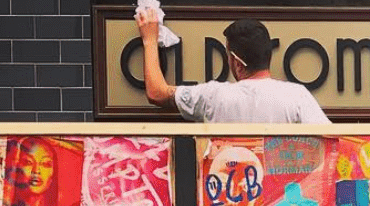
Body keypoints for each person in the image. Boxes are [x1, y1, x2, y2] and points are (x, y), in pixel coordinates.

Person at [136, 11, 329, 123]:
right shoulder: (297, 96)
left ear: (236, 63)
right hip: (282, 192)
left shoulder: (213, 96)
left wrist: (150, 39)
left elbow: (157, 93)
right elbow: (335, 142)